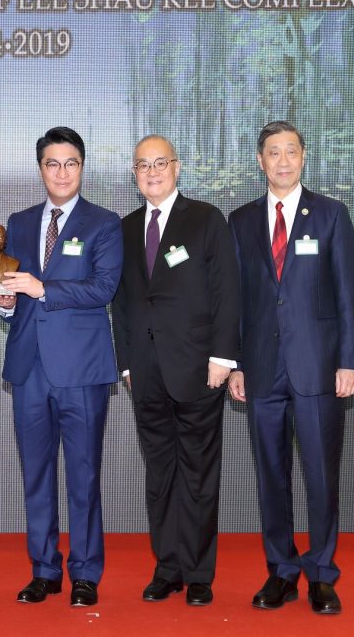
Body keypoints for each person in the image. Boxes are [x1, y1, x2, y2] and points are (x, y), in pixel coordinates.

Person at [227, 120, 354, 616]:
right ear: (260, 161)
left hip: (320, 368)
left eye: (290, 152)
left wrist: (349, 361)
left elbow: (348, 295)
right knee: (271, 476)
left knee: (322, 476)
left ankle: (322, 575)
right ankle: (281, 571)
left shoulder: (330, 215)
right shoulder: (239, 221)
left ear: (303, 157)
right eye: (272, 153)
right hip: (261, 369)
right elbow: (236, 302)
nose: (282, 161)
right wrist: (236, 364)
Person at [111, 135, 240, 606]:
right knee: (160, 475)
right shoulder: (123, 229)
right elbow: (122, 304)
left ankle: (200, 573)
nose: (152, 172)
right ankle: (167, 567)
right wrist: (125, 364)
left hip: (198, 370)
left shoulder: (205, 219)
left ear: (177, 167)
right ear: (134, 173)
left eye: (160, 163)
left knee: (200, 474)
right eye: (143, 165)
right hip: (145, 373)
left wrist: (223, 359)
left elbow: (228, 292)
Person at [0, 126, 123, 608]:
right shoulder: (20, 221)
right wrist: (4, 302)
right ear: (40, 170)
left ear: (82, 167)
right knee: (36, 474)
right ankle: (44, 569)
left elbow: (103, 288)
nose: (62, 172)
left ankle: (86, 573)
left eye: (71, 163)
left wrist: (41, 288)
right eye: (53, 163)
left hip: (82, 370)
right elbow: (14, 291)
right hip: (29, 366)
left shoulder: (103, 224)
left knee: (85, 475)